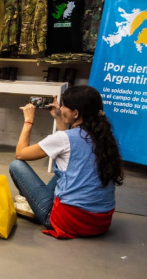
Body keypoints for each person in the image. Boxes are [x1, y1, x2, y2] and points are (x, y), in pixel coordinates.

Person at [9, 85, 123, 239]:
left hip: (68, 221)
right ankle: (36, 201)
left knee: (17, 166)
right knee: (68, 167)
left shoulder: (64, 139)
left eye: (63, 106)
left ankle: (37, 206)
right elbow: (67, 147)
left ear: (75, 113)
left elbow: (20, 154)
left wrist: (28, 121)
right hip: (100, 222)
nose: (61, 108)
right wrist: (58, 117)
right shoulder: (103, 136)